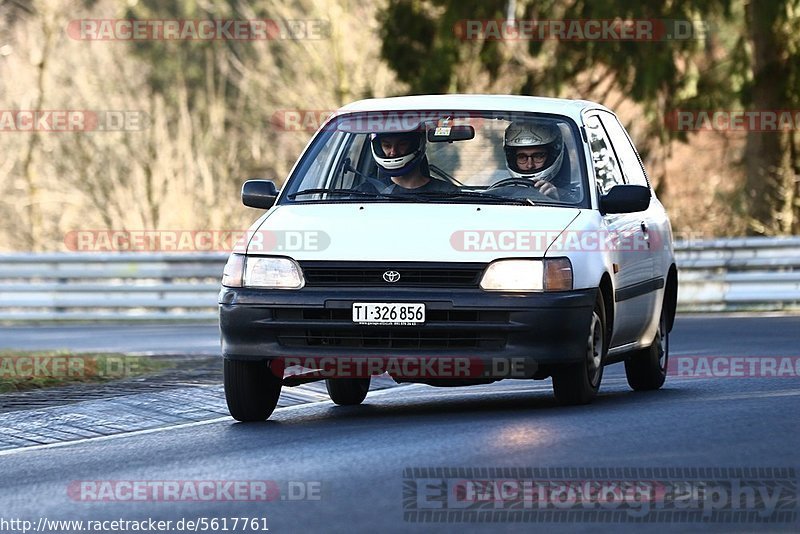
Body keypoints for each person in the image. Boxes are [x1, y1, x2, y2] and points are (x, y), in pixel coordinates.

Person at [367, 130, 458, 195]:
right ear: (379, 148)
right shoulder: (366, 193)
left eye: (402, 144)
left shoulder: (448, 193)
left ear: (415, 145)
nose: (393, 152)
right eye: (387, 146)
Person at [502, 121, 568, 200]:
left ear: (552, 156)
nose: (530, 165)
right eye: (522, 157)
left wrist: (556, 200)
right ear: (513, 160)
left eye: (538, 156)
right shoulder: (500, 192)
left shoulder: (573, 196)